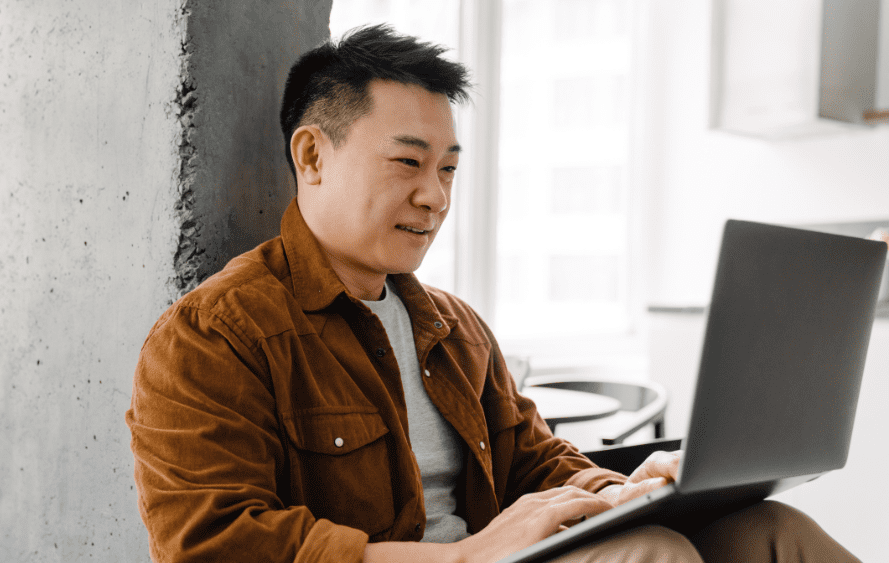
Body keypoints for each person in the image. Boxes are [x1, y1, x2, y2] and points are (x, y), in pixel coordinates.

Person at [126, 24, 861, 563]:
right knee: (653, 556)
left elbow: (536, 463)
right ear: (313, 155)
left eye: (448, 168)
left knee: (775, 533)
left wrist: (632, 485)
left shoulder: (452, 327)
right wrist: (464, 555)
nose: (434, 195)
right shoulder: (210, 336)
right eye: (408, 162)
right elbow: (214, 545)